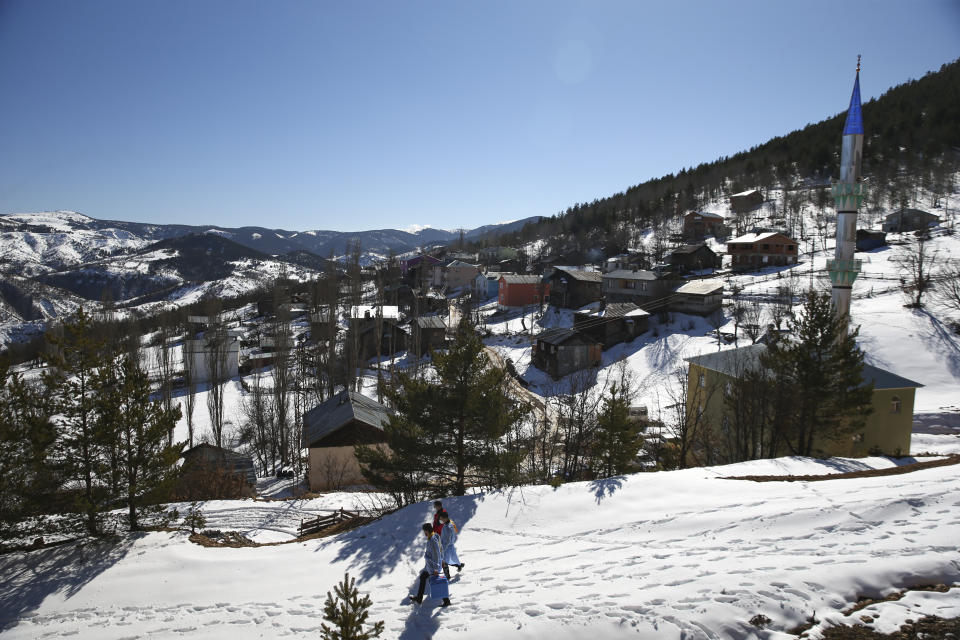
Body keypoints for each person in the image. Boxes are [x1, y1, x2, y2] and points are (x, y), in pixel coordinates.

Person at [409, 522, 451, 607]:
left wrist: (435, 568)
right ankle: (419, 598)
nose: (424, 533)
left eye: (424, 531)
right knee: (423, 577)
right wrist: (442, 560)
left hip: (433, 566)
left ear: (426, 531)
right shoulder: (435, 536)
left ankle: (446, 601)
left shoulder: (432, 540)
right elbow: (441, 548)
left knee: (436, 581)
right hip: (432, 565)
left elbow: (436, 554)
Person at [438, 511, 464, 580]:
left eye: (441, 519)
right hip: (447, 546)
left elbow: (448, 540)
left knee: (444, 562)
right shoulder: (448, 524)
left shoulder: (448, 527)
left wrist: (443, 548)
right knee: (450, 560)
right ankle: (459, 565)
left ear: (445, 518)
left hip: (447, 547)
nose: (440, 520)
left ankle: (447, 577)